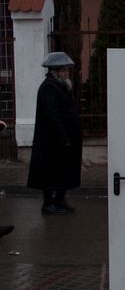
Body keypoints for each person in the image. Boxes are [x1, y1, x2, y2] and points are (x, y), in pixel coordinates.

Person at [29, 51, 82, 216]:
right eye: (64, 70)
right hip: (53, 141)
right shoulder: (48, 87)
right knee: (51, 172)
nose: (67, 73)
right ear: (55, 71)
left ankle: (60, 200)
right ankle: (48, 204)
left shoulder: (61, 85)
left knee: (64, 171)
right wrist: (63, 137)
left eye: (67, 70)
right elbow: (52, 115)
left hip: (65, 138)